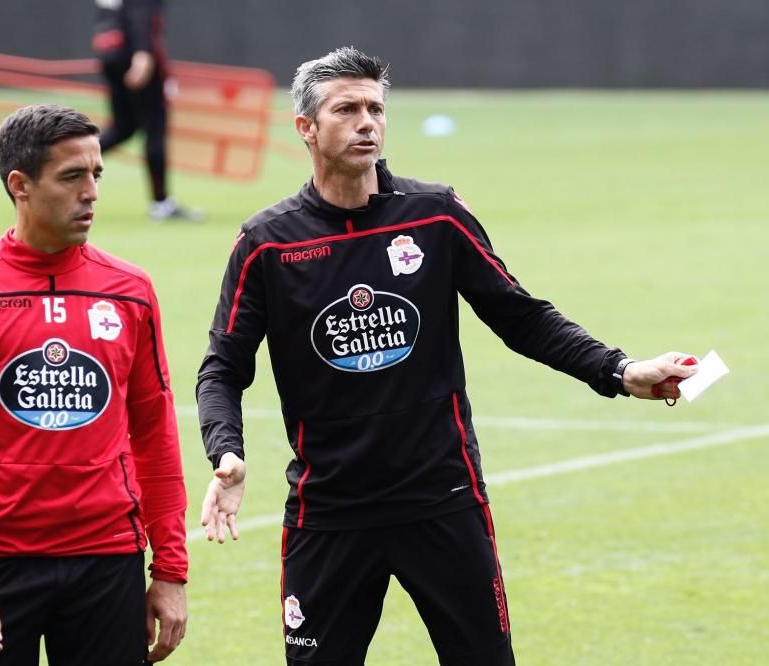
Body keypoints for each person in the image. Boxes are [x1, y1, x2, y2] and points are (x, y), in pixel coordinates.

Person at [196, 47, 698, 665]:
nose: (367, 123)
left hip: (443, 498)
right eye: (346, 109)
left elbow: (520, 316)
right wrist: (227, 450)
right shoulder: (267, 243)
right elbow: (223, 366)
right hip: (329, 510)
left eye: (376, 108)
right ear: (305, 127)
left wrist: (618, 370)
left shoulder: (433, 214)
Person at [0, 104, 188, 665]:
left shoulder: (130, 290)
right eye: (72, 177)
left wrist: (171, 570)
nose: (91, 192)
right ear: (20, 185)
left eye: (97, 174)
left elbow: (156, 433)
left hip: (108, 560)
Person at [92, 0, 201, 222]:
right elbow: (142, 13)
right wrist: (143, 54)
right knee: (155, 126)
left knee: (123, 127)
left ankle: (66, 161)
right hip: (135, 54)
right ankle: (161, 204)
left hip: (111, 53)